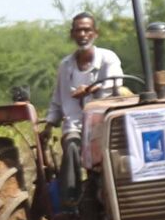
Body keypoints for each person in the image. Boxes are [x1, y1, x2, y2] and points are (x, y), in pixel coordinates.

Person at [51, 13, 124, 167]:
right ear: (72, 34)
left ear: (95, 33)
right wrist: (49, 125)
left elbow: (113, 85)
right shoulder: (65, 65)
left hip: (104, 125)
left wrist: (89, 90)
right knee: (71, 147)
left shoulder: (107, 58)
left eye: (87, 30)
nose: (82, 35)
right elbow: (57, 101)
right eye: (78, 31)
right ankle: (71, 191)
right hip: (76, 127)